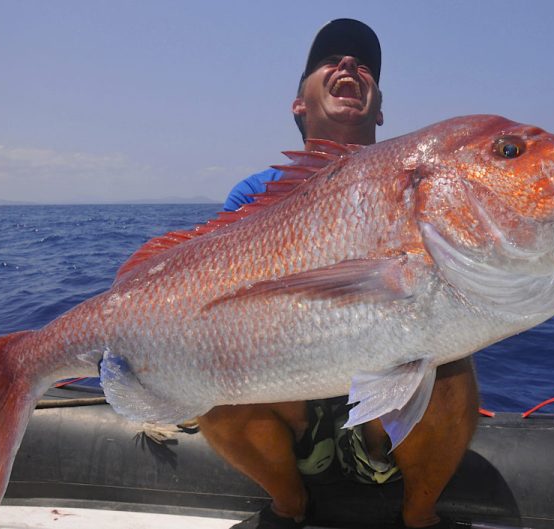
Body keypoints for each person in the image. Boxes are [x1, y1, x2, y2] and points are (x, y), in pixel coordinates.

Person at [199, 19, 479, 529]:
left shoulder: (413, 182)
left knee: (453, 367)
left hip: (385, 403)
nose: (350, 65)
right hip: (294, 401)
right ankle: (289, 507)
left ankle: (420, 516)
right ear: (298, 104)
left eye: (364, 64)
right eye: (329, 60)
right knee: (211, 384)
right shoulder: (252, 197)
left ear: (379, 107)